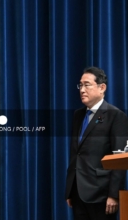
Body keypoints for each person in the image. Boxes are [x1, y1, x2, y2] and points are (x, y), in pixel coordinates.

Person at [65, 67, 127, 220]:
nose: (82, 90)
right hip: (78, 193)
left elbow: (120, 158)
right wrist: (70, 189)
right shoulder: (78, 115)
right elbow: (76, 153)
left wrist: (114, 195)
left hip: (102, 195)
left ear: (102, 87)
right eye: (80, 85)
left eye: (87, 85)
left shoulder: (116, 116)